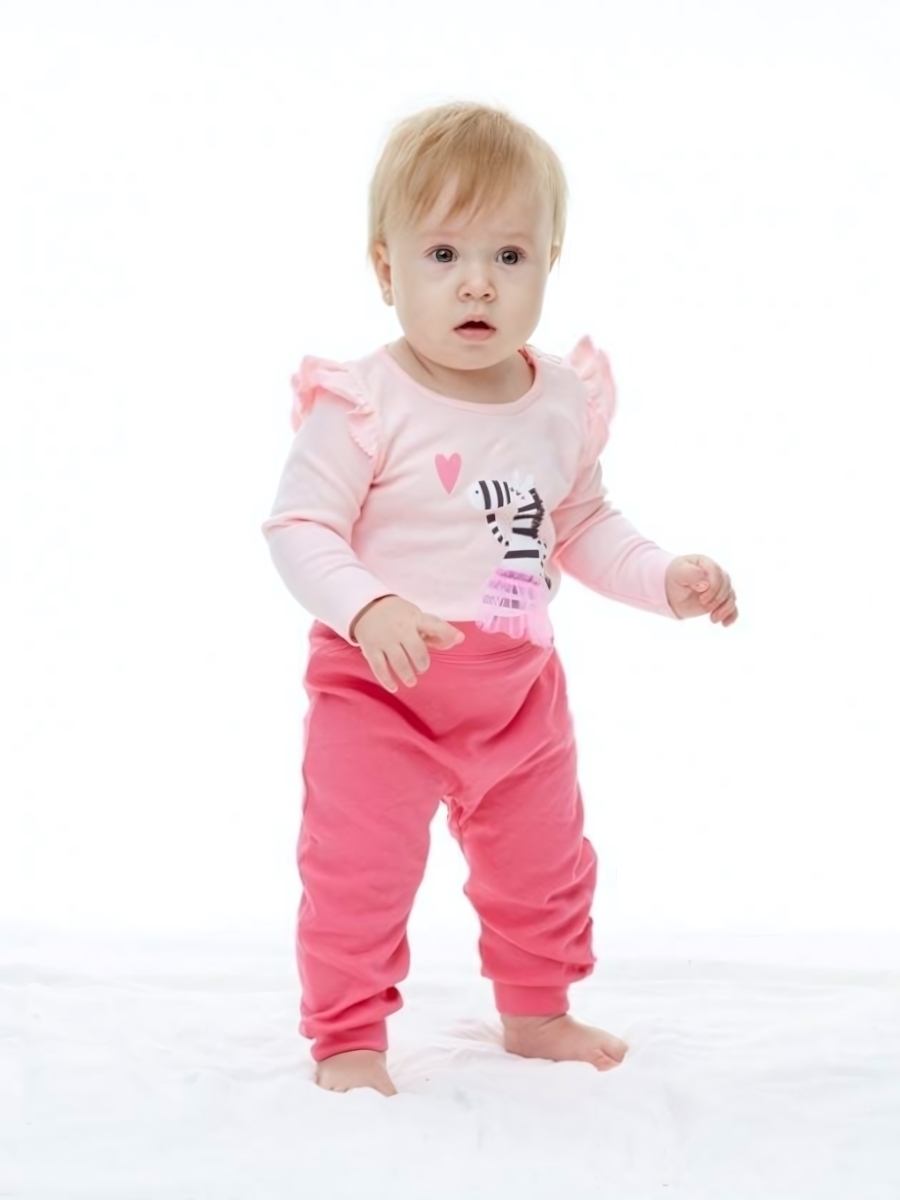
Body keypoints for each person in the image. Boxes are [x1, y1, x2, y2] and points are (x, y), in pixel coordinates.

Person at [262, 101, 738, 1097]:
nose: (477, 281)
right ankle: (348, 1034)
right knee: (358, 871)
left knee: (543, 862)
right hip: (379, 689)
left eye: (509, 256)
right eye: (442, 254)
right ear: (386, 268)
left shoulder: (559, 400)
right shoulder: (365, 402)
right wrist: (368, 608)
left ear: (549, 264)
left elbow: (583, 524)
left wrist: (665, 578)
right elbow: (299, 529)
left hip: (516, 691)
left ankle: (537, 1009)